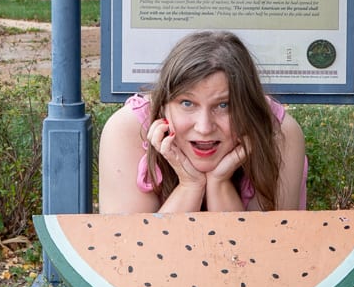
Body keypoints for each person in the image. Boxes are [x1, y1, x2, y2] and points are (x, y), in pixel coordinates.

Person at [98, 30, 307, 214]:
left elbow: (260, 253)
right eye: (187, 103)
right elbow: (131, 251)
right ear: (162, 105)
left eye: (224, 105)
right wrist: (190, 185)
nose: (204, 127)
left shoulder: (280, 133)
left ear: (248, 107)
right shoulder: (127, 130)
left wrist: (219, 182)